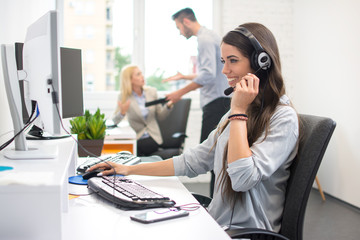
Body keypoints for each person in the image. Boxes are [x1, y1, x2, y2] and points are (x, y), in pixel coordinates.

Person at [90, 23, 300, 232]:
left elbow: (242, 180)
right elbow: (193, 161)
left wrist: (238, 111)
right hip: (217, 222)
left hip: (242, 232)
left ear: (261, 62)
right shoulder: (238, 113)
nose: (224, 70)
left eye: (233, 61)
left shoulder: (282, 118)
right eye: (223, 61)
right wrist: (129, 170)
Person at [164, 7, 230, 144]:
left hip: (216, 102)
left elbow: (208, 75)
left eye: (178, 27)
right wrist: (184, 77)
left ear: (186, 22)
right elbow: (212, 72)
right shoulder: (209, 35)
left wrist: (179, 93)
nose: (180, 33)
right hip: (220, 100)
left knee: (207, 152)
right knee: (213, 149)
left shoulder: (204, 39)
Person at [112, 65, 173, 156]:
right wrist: (122, 113)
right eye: (138, 74)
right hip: (137, 137)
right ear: (130, 80)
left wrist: (168, 105)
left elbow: (161, 116)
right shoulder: (124, 96)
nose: (142, 76)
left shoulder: (152, 92)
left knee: (130, 151)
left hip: (152, 137)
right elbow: (114, 121)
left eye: (141, 73)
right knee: (127, 149)